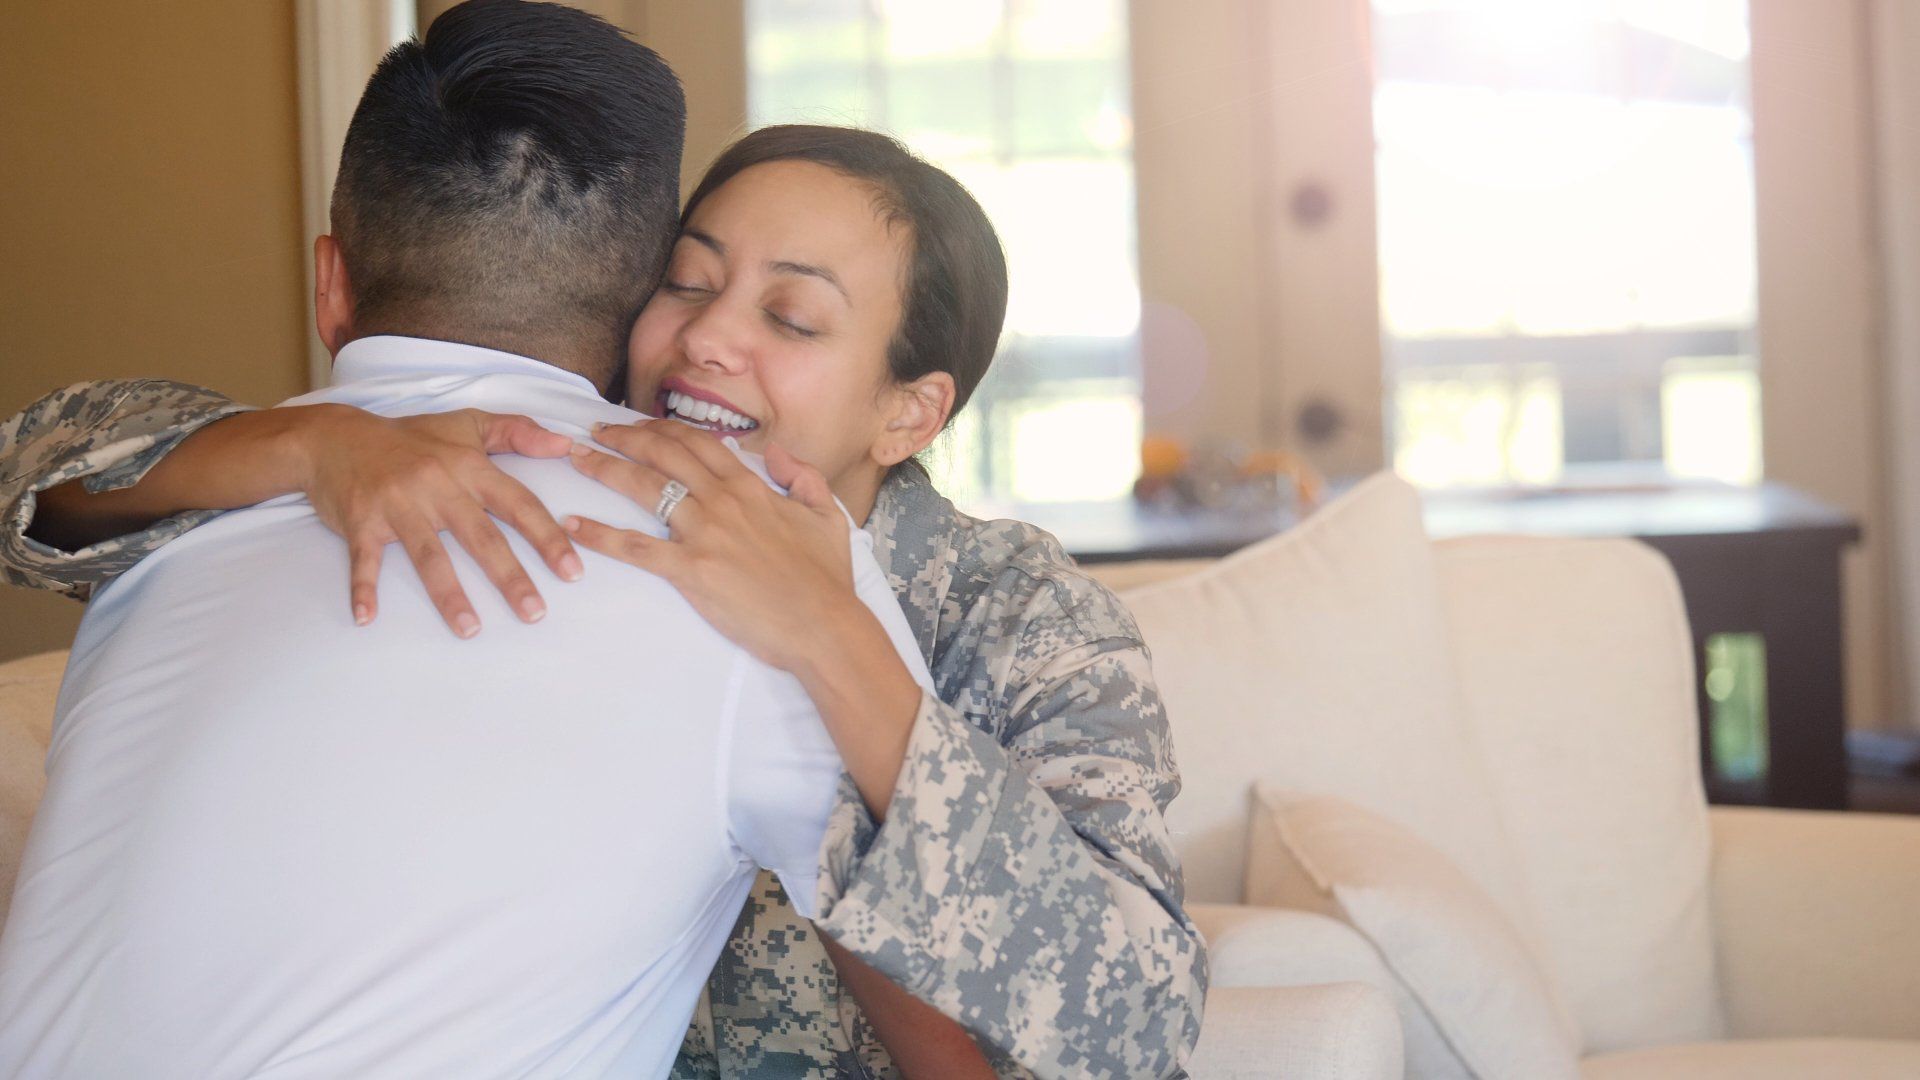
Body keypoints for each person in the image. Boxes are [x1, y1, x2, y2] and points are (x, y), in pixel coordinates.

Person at [0, 49, 1210, 1080]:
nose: (709, 336)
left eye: (791, 319)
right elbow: (34, 478)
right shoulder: (505, 491)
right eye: (686, 282)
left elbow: (1130, 1025)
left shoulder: (1018, 617)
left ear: (911, 411)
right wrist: (318, 442)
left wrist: (833, 636)